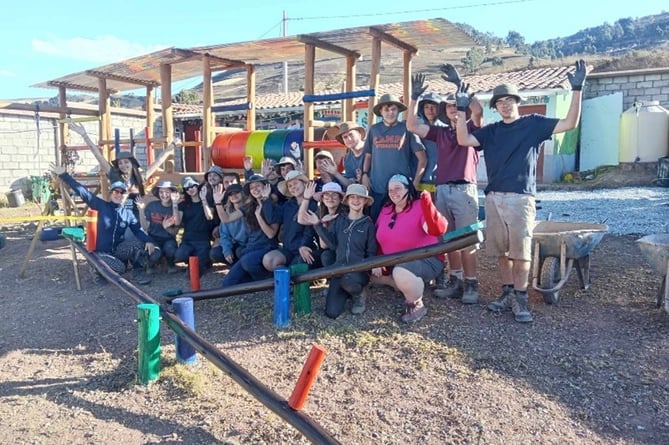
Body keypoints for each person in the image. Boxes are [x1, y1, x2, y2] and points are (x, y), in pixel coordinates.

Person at [454, 59, 587, 323]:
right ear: (496, 107)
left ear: (517, 102)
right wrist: (461, 111)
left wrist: (577, 89)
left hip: (520, 198)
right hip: (493, 198)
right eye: (500, 102)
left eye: (509, 100)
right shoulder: (491, 131)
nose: (505, 105)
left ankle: (521, 298)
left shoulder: (534, 124)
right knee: (502, 252)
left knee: (522, 251)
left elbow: (570, 123)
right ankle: (506, 293)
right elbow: (463, 139)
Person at [406, 68, 483, 304]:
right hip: (442, 189)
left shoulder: (473, 127)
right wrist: (414, 98)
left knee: (468, 239)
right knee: (449, 239)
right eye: (448, 106)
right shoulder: (439, 132)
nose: (452, 108)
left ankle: (471, 283)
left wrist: (461, 85)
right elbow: (411, 125)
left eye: (455, 104)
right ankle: (456, 280)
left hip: (464, 189)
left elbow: (479, 110)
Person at [50, 163, 155, 285]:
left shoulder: (128, 213)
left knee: (139, 244)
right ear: (110, 194)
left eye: (123, 193)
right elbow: (82, 191)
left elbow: (138, 230)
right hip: (99, 252)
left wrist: (148, 240)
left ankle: (138, 273)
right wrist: (64, 175)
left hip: (115, 250)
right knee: (120, 269)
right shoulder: (101, 205)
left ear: (127, 195)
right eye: (116, 192)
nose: (119, 195)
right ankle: (96, 269)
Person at [371, 174, 448, 323]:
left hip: (424, 259)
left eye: (398, 188)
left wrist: (428, 206)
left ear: (408, 189)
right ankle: (397, 283)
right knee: (364, 271)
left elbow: (437, 229)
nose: (394, 193)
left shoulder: (420, 206)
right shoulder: (386, 209)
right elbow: (378, 238)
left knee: (401, 272)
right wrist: (377, 260)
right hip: (391, 260)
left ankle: (415, 304)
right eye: (390, 190)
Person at [299, 182, 377, 318]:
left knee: (348, 281)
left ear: (365, 201)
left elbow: (371, 251)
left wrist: (372, 267)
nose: (356, 201)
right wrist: (318, 224)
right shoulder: (340, 220)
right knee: (332, 312)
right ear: (347, 200)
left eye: (360, 198)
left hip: (358, 271)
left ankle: (359, 295)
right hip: (339, 269)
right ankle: (344, 291)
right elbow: (332, 245)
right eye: (352, 197)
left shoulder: (368, 224)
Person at [361, 93, 427, 220]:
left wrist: (415, 184)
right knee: (377, 225)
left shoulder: (407, 129)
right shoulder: (374, 130)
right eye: (386, 109)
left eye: (393, 109)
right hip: (377, 188)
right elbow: (368, 156)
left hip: (401, 190)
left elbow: (422, 159)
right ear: (380, 111)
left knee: (401, 225)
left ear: (398, 111)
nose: (390, 113)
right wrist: (364, 174)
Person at [221, 175, 279, 286]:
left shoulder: (274, 206)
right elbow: (226, 219)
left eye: (258, 186)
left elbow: (271, 234)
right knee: (227, 283)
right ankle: (256, 283)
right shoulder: (249, 206)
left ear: (266, 187)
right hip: (251, 247)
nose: (255, 189)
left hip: (267, 247)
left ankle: (266, 279)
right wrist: (218, 203)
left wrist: (259, 216)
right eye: (252, 188)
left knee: (247, 261)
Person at [262, 170, 319, 271]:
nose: (293, 187)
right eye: (290, 186)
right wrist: (266, 199)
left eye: (296, 183)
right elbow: (272, 218)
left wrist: (304, 245)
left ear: (305, 184)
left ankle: (315, 278)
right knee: (269, 260)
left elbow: (310, 229)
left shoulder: (313, 204)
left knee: (295, 269)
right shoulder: (288, 205)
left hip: (306, 248)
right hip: (288, 248)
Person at [174, 176, 216, 276]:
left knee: (196, 273)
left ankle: (202, 262)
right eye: (187, 188)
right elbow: (177, 222)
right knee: (180, 255)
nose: (190, 189)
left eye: (192, 186)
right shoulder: (183, 205)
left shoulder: (208, 201)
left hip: (203, 240)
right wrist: (175, 204)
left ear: (197, 186)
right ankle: (192, 261)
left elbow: (209, 217)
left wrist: (204, 200)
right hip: (188, 240)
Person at [136, 180, 180, 274]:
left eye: (167, 192)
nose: (164, 195)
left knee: (170, 248)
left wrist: (166, 228)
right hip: (153, 238)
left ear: (172, 193)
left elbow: (176, 231)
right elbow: (145, 227)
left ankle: (170, 263)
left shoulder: (176, 207)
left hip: (169, 239)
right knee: (155, 253)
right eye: (161, 192)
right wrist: (141, 210)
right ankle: (151, 264)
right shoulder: (152, 206)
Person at [212, 183, 249, 266]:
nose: (234, 196)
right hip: (235, 243)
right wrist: (227, 251)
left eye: (236, 192)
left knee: (240, 251)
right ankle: (235, 266)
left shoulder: (249, 208)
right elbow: (224, 235)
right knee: (215, 253)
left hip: (248, 244)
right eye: (230, 194)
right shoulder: (226, 212)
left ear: (242, 193)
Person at [321, 121, 367, 188]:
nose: (349, 139)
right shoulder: (347, 159)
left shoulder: (374, 149)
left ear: (359, 134)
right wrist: (336, 173)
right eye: (345, 137)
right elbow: (351, 184)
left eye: (351, 134)